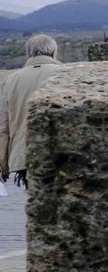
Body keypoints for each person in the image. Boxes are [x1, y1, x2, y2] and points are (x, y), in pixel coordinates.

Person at [1, 35, 65, 190]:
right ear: (54, 52)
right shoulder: (66, 74)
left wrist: (3, 165)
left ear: (28, 54)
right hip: (61, 151)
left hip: (25, 153)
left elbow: (3, 126)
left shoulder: (10, 80)